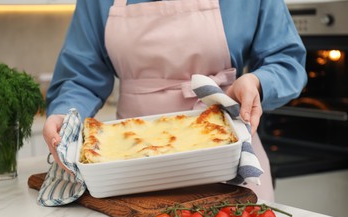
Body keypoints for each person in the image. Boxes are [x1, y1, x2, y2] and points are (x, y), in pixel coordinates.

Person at [43, 0, 307, 202]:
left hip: (229, 157)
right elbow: (80, 78)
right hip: (129, 165)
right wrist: (65, 117)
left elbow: (287, 62)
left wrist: (257, 82)